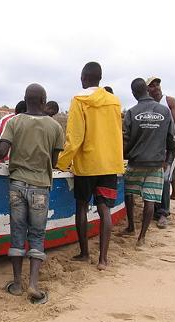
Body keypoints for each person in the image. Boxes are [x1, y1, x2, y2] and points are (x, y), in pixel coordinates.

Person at [0, 84, 63, 304]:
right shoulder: (55, 126)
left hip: (17, 185)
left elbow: (1, 151)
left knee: (17, 235)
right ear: (44, 100)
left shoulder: (14, 121)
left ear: (25, 99)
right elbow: (55, 160)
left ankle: (17, 284)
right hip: (40, 187)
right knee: (37, 236)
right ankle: (33, 285)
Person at [56, 62, 124, 271]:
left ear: (84, 78)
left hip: (87, 164)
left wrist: (62, 162)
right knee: (105, 210)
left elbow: (74, 137)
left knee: (82, 207)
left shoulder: (79, 100)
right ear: (100, 78)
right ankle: (103, 259)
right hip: (109, 163)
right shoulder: (114, 101)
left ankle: (84, 253)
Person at [122, 78, 175, 248]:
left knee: (129, 194)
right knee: (150, 200)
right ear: (146, 90)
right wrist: (167, 161)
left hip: (135, 162)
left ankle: (131, 226)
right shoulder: (164, 111)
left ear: (133, 93)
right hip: (155, 164)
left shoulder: (131, 112)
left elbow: (126, 139)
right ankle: (141, 239)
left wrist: (123, 155)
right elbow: (171, 140)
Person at [146, 77, 175, 228]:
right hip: (155, 147)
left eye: (157, 84)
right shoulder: (148, 105)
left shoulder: (169, 101)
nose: (156, 87)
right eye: (152, 85)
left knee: (165, 177)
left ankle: (163, 213)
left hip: (170, 147)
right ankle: (156, 209)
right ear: (147, 89)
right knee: (155, 177)